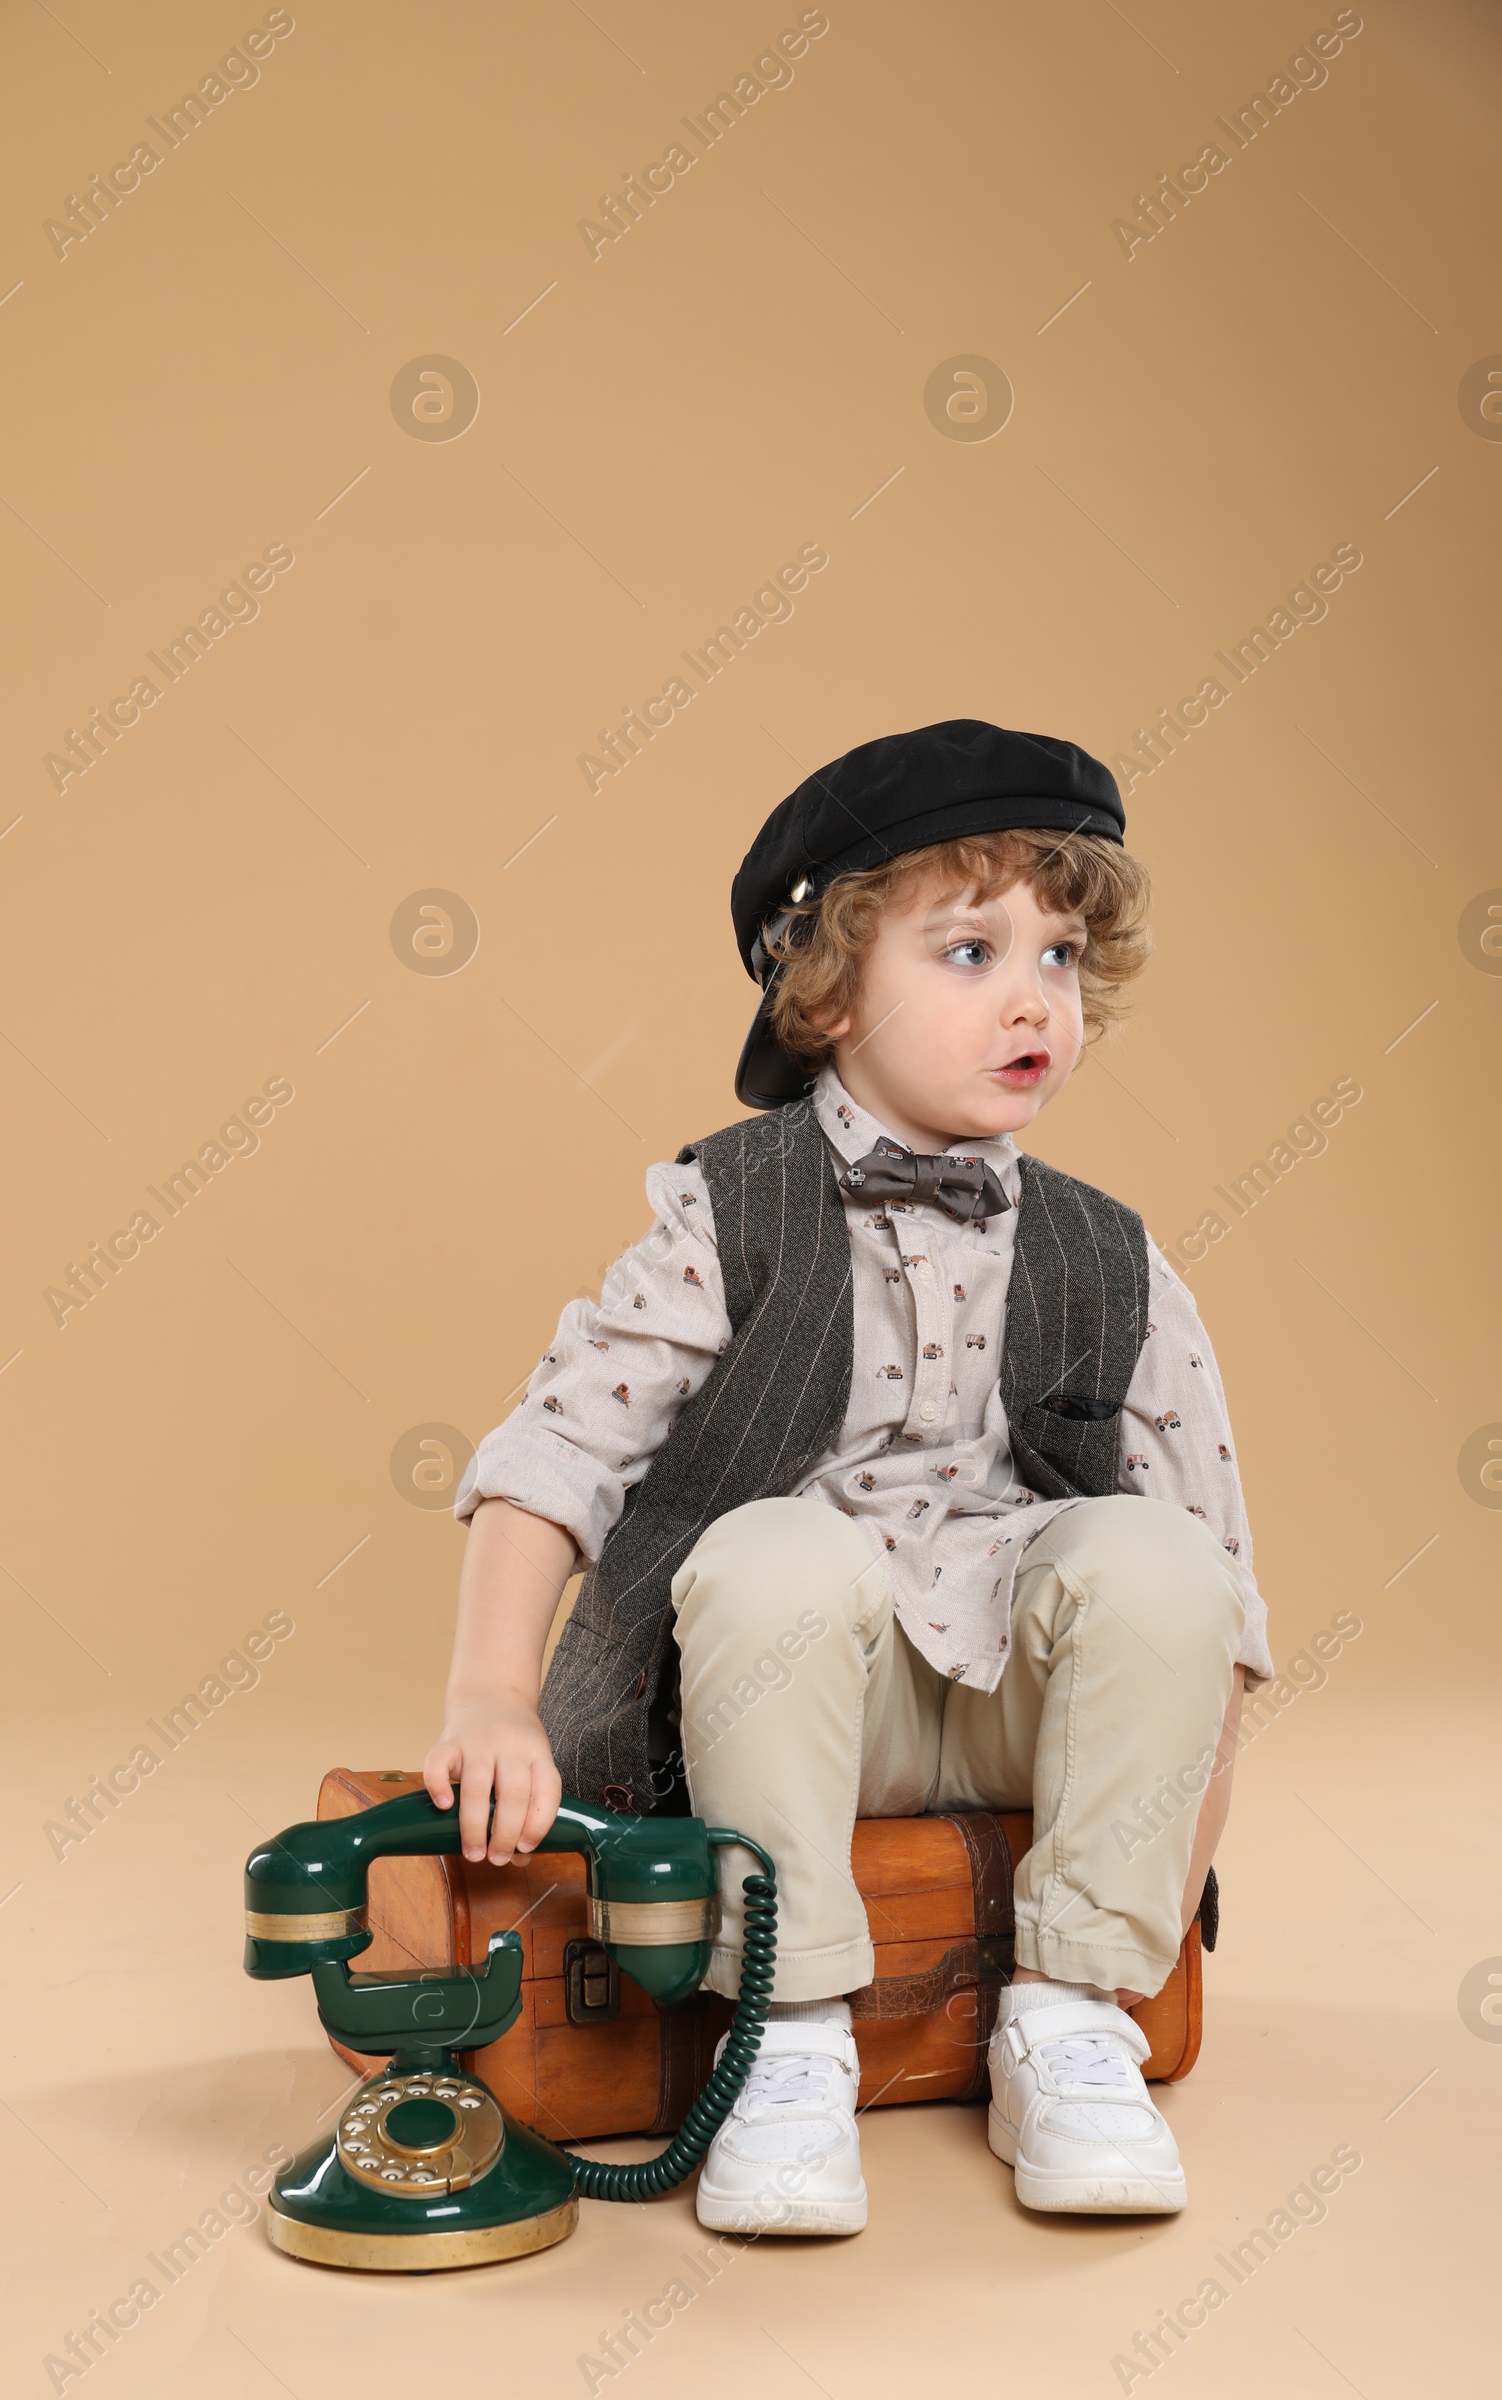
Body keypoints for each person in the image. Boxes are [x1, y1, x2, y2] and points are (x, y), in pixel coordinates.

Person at [428, 719, 1271, 2235]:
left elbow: (1221, 1613)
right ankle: (794, 2033)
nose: (1035, 999)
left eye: (1062, 957)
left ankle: (1070, 2026)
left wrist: (1159, 1917)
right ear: (824, 990)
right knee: (774, 1555)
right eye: (970, 952)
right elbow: (562, 1444)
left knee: (1158, 1561)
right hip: (792, 1715)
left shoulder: (1112, 1254)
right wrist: (491, 1690)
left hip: (1026, 1710)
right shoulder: (724, 1211)